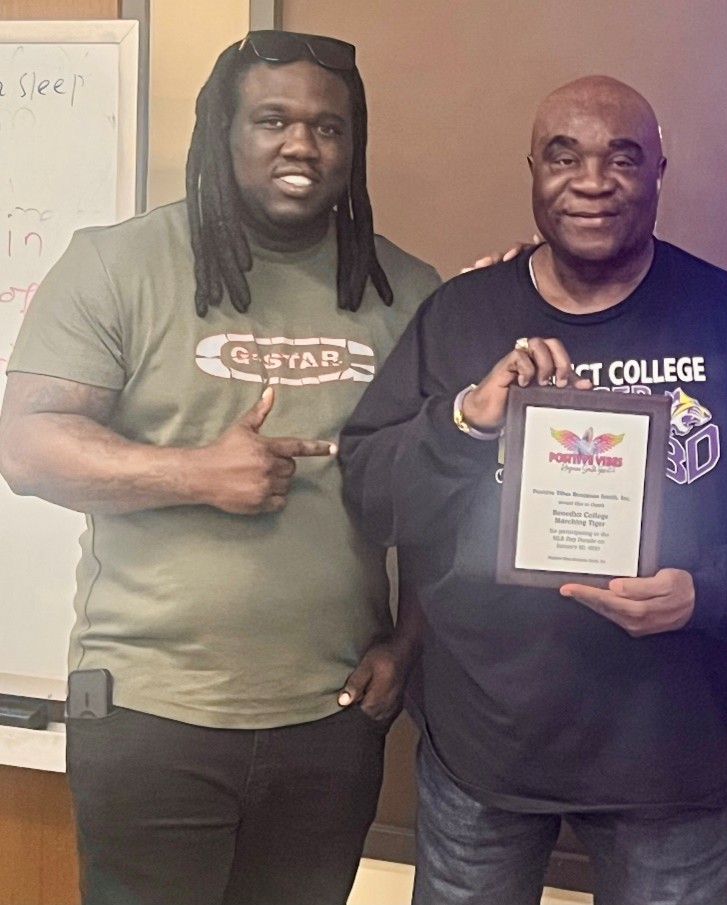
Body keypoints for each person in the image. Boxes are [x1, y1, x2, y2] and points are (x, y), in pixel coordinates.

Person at [339, 75, 727, 905]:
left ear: (658, 173)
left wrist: (706, 591)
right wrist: (465, 420)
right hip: (484, 748)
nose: (593, 181)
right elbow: (369, 492)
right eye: (564, 157)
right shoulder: (460, 315)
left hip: (671, 754)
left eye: (623, 157)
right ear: (532, 171)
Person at [0, 30, 440, 905]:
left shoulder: (406, 290)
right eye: (272, 120)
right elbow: (27, 445)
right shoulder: (117, 263)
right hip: (150, 712)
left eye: (328, 127)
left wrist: (407, 642)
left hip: (331, 717)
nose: (301, 145)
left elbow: (442, 493)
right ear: (222, 131)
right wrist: (198, 473)